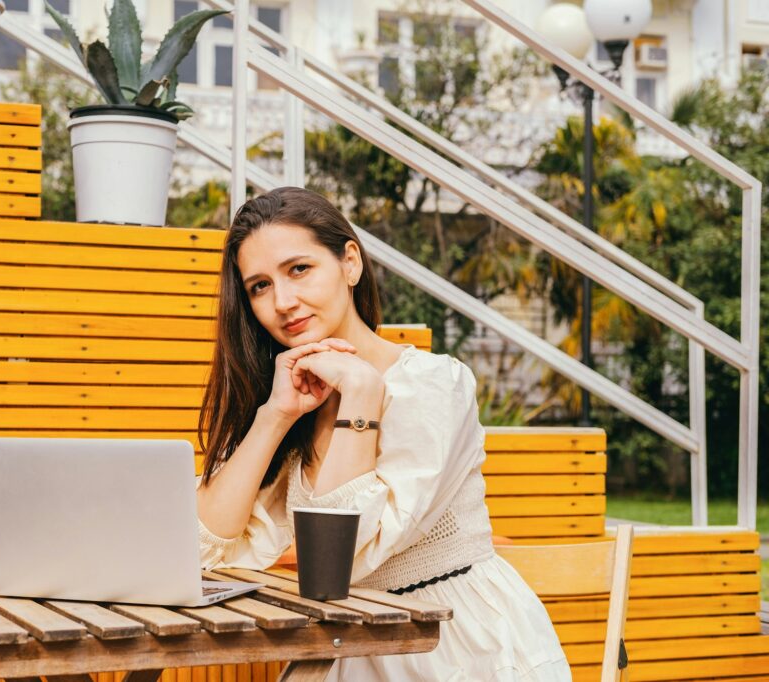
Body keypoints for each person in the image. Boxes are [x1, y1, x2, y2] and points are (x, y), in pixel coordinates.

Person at [195, 187, 571, 681]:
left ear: (350, 263)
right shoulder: (294, 395)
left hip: (452, 647)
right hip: (345, 645)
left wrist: (362, 395)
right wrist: (275, 414)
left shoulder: (434, 385)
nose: (283, 302)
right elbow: (203, 548)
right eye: (259, 286)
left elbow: (336, 565)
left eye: (299, 269)